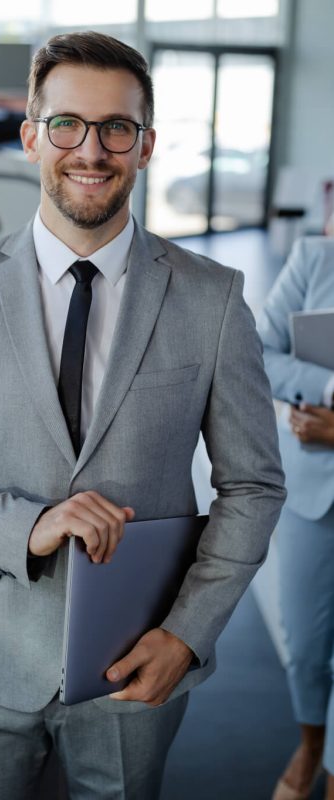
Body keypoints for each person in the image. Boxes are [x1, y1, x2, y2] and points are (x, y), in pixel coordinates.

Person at [0, 32, 286, 800]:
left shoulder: (214, 298)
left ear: (146, 144)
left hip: (139, 662)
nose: (90, 150)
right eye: (67, 124)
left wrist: (187, 635)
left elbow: (255, 487)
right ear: (32, 136)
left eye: (116, 128)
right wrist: (27, 526)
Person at [258, 236, 334, 800]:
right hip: (314, 491)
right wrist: (328, 386)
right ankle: (311, 745)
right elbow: (258, 349)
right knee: (306, 644)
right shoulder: (317, 258)